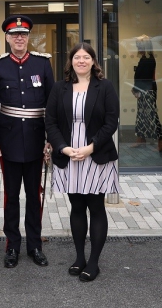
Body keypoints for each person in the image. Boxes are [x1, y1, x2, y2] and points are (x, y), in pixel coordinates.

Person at [45, 42, 121, 283]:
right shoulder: (60, 88)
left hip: (95, 154)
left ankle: (94, 262)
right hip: (69, 155)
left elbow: (111, 121)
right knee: (76, 207)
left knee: (96, 207)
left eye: (86, 57)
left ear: (93, 61)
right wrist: (63, 148)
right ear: (71, 61)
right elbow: (51, 122)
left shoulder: (105, 87)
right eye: (77, 57)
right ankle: (79, 257)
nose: (81, 61)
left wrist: (91, 147)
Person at [0, 15, 55, 269]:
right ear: (7, 38)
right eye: (14, 35)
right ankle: (12, 246)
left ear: (28, 38)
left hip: (37, 140)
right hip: (9, 141)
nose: (19, 38)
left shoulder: (43, 64)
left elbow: (52, 104)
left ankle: (35, 245)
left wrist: (50, 139)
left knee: (34, 195)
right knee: (11, 196)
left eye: (23, 35)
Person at [131, 35, 162, 152]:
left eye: (139, 45)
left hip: (146, 90)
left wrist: (136, 89)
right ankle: (141, 139)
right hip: (144, 90)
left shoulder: (148, 59)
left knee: (151, 116)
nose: (138, 47)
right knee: (141, 115)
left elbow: (144, 78)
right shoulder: (145, 58)